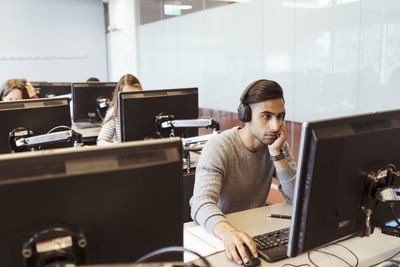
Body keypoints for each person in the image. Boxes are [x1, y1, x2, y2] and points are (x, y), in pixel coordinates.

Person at [190, 79, 296, 266]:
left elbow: (297, 197)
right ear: (245, 115)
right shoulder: (220, 147)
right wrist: (228, 232)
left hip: (258, 228)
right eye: (266, 116)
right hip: (221, 234)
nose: (275, 126)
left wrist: (277, 156)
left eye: (280, 116)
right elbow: (201, 202)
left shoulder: (277, 145)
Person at [97, 74, 142, 146]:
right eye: (127, 96)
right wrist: (114, 145)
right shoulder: (114, 112)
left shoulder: (146, 110)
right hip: (125, 154)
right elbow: (101, 142)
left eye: (134, 94)